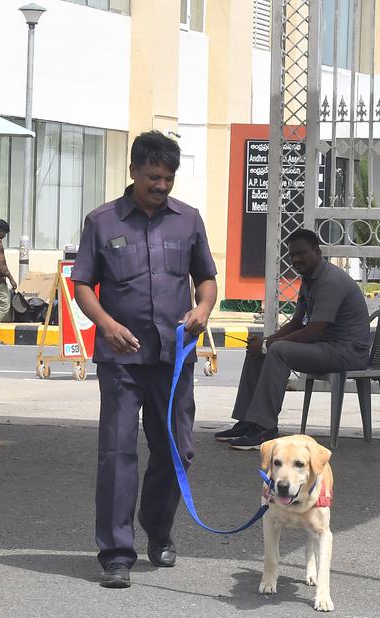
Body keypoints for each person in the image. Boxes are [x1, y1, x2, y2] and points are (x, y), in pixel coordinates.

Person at [71, 130, 218, 589]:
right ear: (133, 170)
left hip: (173, 359)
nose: (161, 185)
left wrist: (203, 309)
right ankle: (116, 553)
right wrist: (107, 325)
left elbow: (207, 279)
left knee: (178, 448)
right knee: (117, 452)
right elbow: (81, 286)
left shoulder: (188, 221)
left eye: (168, 178)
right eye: (153, 176)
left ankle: (158, 529)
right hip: (121, 360)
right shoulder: (102, 221)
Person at [217, 229, 370, 451]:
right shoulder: (310, 280)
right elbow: (297, 323)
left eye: (302, 253)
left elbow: (315, 331)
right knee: (258, 351)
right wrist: (264, 342)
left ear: (317, 252)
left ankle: (265, 429)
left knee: (277, 351)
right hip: (327, 347)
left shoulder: (330, 281)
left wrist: (270, 345)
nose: (296, 259)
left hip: (346, 352)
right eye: (292, 255)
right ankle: (248, 421)